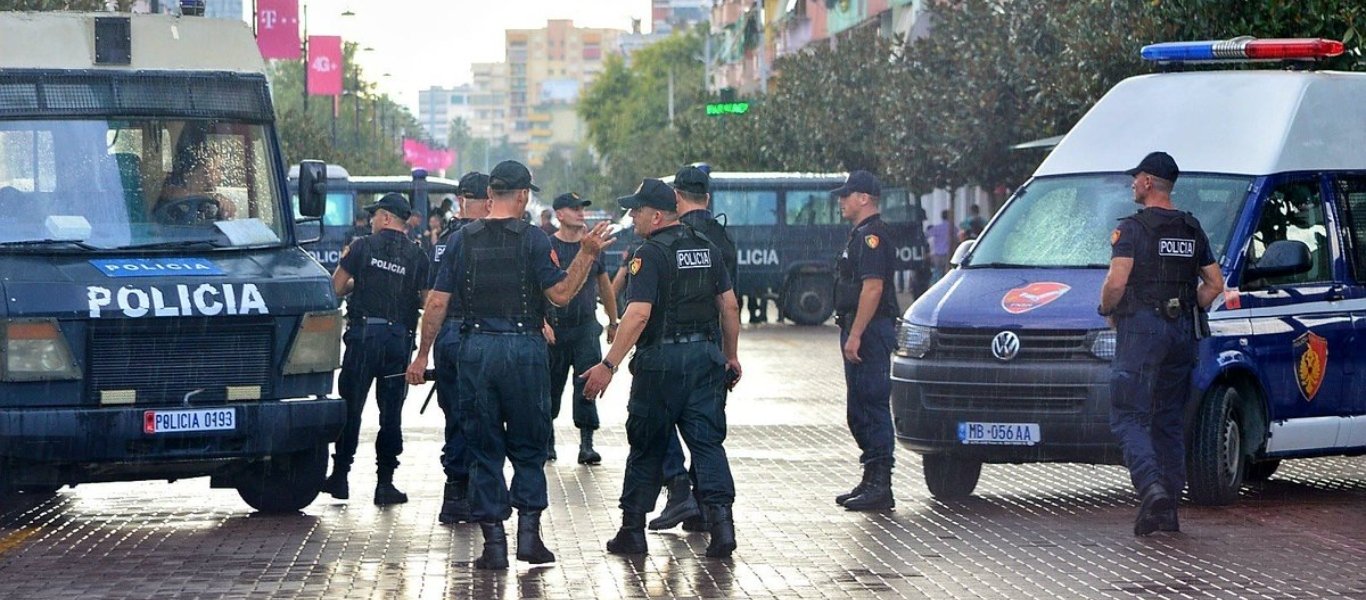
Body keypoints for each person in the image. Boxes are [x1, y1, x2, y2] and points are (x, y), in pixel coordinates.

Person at [405, 160, 612, 569]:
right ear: (521, 196)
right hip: (524, 351)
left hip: (476, 350)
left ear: (488, 197)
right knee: (530, 446)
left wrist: (422, 353)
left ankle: (494, 545)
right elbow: (561, 294)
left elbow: (437, 303)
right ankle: (529, 538)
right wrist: (586, 254)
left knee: (483, 448)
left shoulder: (462, 240)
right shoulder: (534, 240)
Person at [581, 178, 743, 559]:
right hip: (705, 359)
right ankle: (721, 527)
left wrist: (609, 365)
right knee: (707, 444)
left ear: (656, 215)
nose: (632, 216)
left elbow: (637, 315)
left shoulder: (648, 254)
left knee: (646, 445)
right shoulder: (706, 248)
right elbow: (730, 306)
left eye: (636, 210)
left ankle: (632, 531)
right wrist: (731, 356)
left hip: (661, 364)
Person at [1098, 151, 1223, 535]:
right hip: (1182, 330)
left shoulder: (1132, 230)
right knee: (1168, 418)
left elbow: (1117, 283)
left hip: (1142, 329)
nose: (1133, 183)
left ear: (1149, 182)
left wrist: (1106, 308)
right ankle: (1167, 510)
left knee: (1128, 414)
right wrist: (1187, 306)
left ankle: (1151, 487)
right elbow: (1215, 284)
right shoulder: (1191, 228)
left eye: (1136, 178)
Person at [322, 192, 430, 505]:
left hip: (364, 337)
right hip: (398, 341)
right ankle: (385, 484)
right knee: (391, 413)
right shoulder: (417, 256)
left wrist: (362, 282)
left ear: (385, 218)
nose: (371, 221)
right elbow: (426, 300)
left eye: (374, 216)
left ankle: (340, 477)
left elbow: (336, 288)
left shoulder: (361, 247)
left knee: (351, 408)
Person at [648, 165, 739, 533]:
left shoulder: (672, 237)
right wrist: (730, 354)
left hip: (668, 347)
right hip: (711, 346)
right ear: (709, 198)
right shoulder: (722, 239)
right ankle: (711, 516)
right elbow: (730, 303)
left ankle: (680, 490)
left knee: (659, 420)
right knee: (705, 434)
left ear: (676, 197)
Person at [831, 170, 900, 512]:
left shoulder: (872, 237)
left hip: (870, 331)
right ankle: (871, 475)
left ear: (864, 198)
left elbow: (873, 288)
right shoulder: (861, 234)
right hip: (862, 328)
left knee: (871, 403)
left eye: (847, 195)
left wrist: (856, 333)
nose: (841, 201)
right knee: (858, 407)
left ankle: (881, 484)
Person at [429, 171, 491, 525]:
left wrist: (424, 351)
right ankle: (474, 493)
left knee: (455, 415)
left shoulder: (446, 240)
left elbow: (431, 297)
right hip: (478, 332)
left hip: (449, 333)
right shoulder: (484, 238)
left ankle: (456, 492)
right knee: (482, 414)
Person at [546, 192, 618, 465]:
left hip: (585, 327)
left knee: (587, 384)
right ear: (559, 214)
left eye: (582, 208)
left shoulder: (592, 246)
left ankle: (587, 443)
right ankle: (547, 441)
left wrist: (613, 322)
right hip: (554, 328)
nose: (580, 213)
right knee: (549, 387)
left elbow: (605, 285)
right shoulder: (547, 246)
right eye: (573, 209)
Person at [926, 209, 952, 281]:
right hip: (948, 254)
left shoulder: (937, 228)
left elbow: (926, 235)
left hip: (937, 254)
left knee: (937, 273)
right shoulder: (953, 228)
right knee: (947, 274)